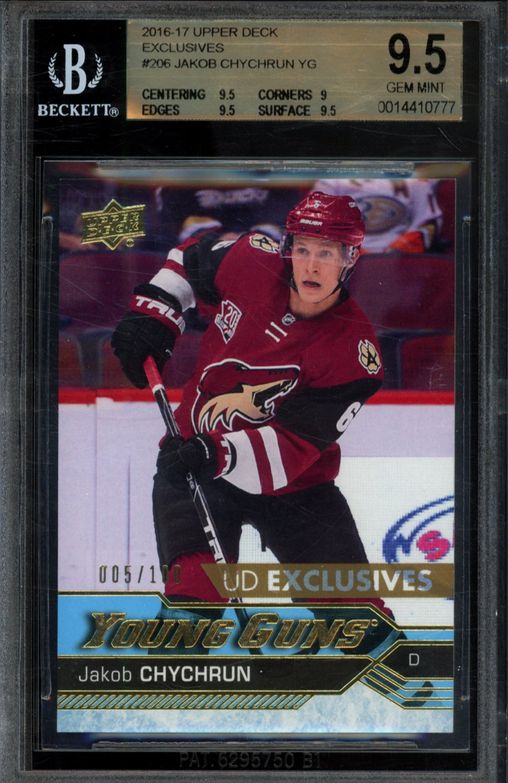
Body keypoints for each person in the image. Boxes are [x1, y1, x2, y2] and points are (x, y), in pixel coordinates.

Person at [111, 192, 397, 655]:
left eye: (327, 253)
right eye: (303, 249)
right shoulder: (250, 260)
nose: (311, 266)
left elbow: (290, 449)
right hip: (193, 468)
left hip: (296, 489)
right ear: (287, 248)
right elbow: (188, 259)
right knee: (190, 610)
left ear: (351, 258)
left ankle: (403, 692)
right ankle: (170, 694)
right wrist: (155, 314)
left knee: (360, 622)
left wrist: (216, 452)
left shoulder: (354, 353)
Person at [313, 178, 443, 253]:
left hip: (400, 264)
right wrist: (350, 253)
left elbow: (427, 224)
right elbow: (318, 224)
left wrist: (398, 250)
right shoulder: (331, 181)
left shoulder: (415, 180)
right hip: (346, 266)